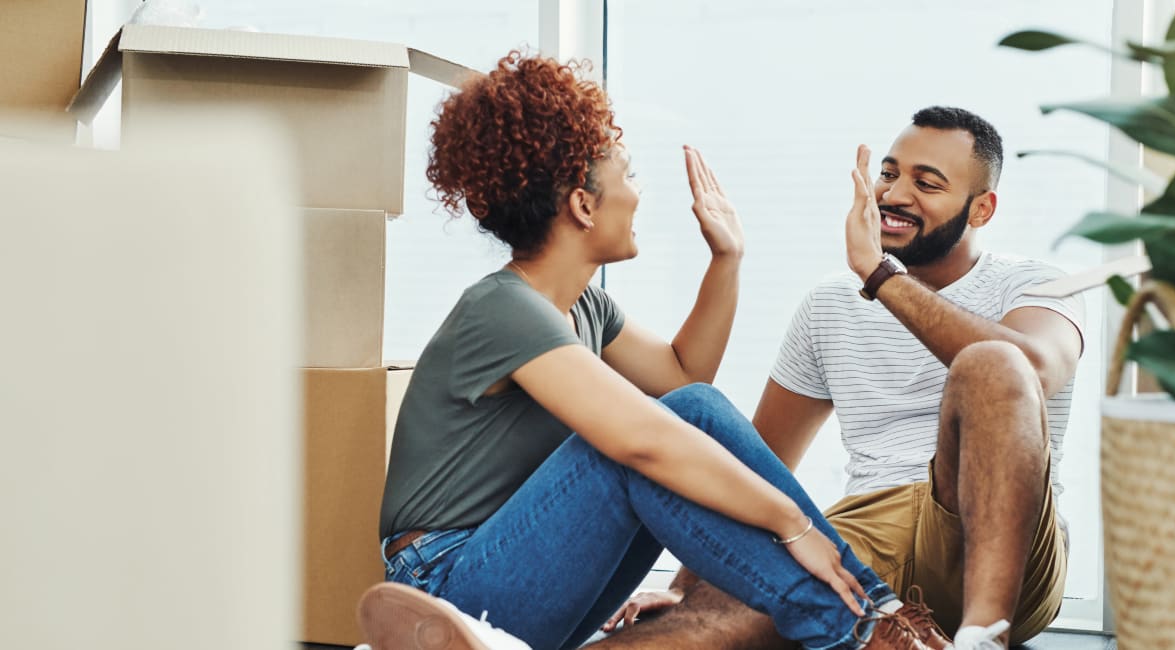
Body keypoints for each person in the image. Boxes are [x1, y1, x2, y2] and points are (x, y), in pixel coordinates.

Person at [357, 50, 946, 650]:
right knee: (650, 438)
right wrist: (792, 524)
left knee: (688, 411)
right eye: (629, 175)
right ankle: (867, 627)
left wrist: (727, 259)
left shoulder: (584, 308)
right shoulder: (502, 309)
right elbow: (647, 437)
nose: (638, 194)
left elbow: (684, 377)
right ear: (584, 206)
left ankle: (874, 619)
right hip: (444, 583)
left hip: (515, 571)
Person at [594, 107, 1085, 650]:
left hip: (1000, 545)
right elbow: (762, 462)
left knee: (992, 362)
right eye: (890, 173)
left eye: (927, 183)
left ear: (981, 209)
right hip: (865, 536)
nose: (895, 195)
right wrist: (687, 586)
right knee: (692, 631)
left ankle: (984, 637)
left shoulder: (1036, 286)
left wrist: (880, 276)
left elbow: (1033, 370)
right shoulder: (829, 305)